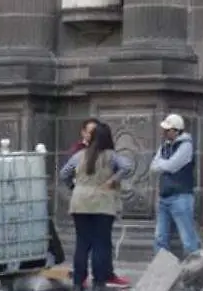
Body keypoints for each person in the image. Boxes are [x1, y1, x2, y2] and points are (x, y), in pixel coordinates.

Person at [60, 122, 133, 291]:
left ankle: (78, 282)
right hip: (102, 203)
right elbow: (127, 166)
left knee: (82, 243)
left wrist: (74, 187)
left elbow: (64, 173)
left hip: (79, 202)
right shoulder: (110, 156)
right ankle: (99, 282)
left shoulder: (79, 155)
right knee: (100, 243)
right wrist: (113, 180)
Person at [150, 113, 201, 256]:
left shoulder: (186, 145)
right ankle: (161, 266)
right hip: (164, 196)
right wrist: (164, 164)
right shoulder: (165, 146)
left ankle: (194, 264)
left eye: (168, 130)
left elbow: (172, 166)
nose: (165, 132)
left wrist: (162, 164)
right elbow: (153, 166)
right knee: (160, 237)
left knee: (188, 238)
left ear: (176, 130)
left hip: (181, 196)